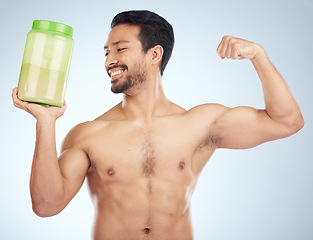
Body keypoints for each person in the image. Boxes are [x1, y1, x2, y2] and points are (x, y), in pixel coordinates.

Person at [12, 10, 304, 240]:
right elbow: (47, 205)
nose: (109, 61)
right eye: (106, 52)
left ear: (154, 54)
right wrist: (45, 121)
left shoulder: (199, 123)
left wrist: (258, 56)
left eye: (120, 49)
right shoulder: (89, 134)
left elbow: (287, 122)